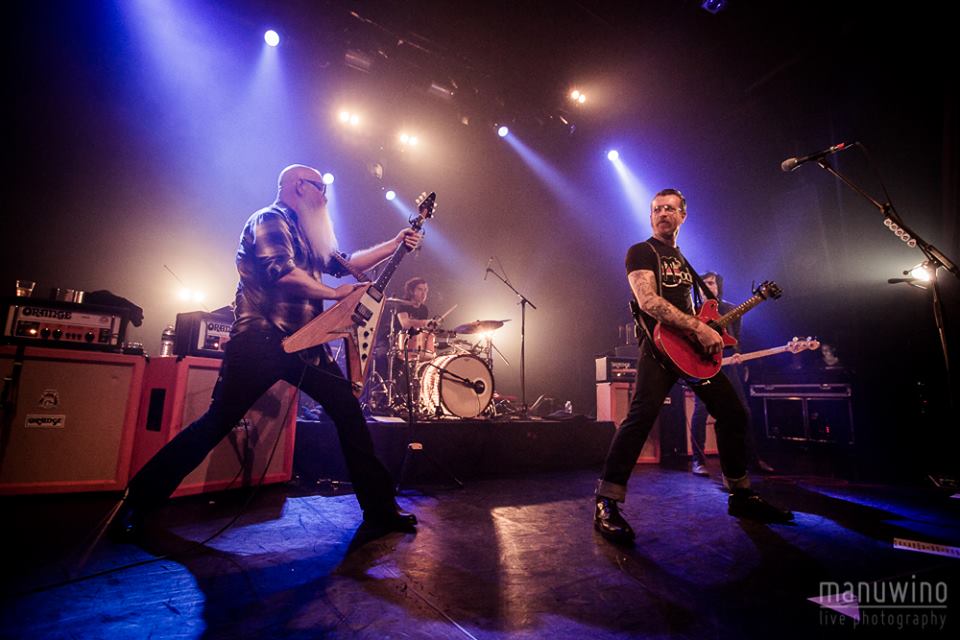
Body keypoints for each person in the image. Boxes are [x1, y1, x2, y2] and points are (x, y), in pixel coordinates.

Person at [113, 164, 422, 539]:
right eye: (319, 187)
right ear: (298, 186)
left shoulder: (307, 233)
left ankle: (380, 510)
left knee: (349, 414)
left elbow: (347, 264)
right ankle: (137, 500)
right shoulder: (269, 219)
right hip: (261, 341)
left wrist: (395, 243)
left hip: (306, 343)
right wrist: (333, 294)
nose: (325, 196)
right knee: (217, 422)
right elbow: (281, 272)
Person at [594, 188, 793, 545]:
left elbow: (696, 311)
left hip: (690, 351)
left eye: (670, 209)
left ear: (683, 216)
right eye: (657, 209)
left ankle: (740, 495)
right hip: (659, 348)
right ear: (651, 216)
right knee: (640, 419)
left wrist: (707, 327)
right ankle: (606, 502)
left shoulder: (684, 261)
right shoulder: (641, 251)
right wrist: (698, 328)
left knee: (734, 413)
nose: (662, 213)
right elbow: (648, 301)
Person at [688, 272, 774, 476]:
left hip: (728, 365)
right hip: (704, 365)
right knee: (701, 411)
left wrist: (737, 353)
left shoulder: (730, 309)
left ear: (718, 286)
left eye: (712, 283)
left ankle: (752, 459)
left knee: (743, 411)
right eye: (704, 283)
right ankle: (698, 461)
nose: (708, 286)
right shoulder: (691, 310)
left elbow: (736, 337)